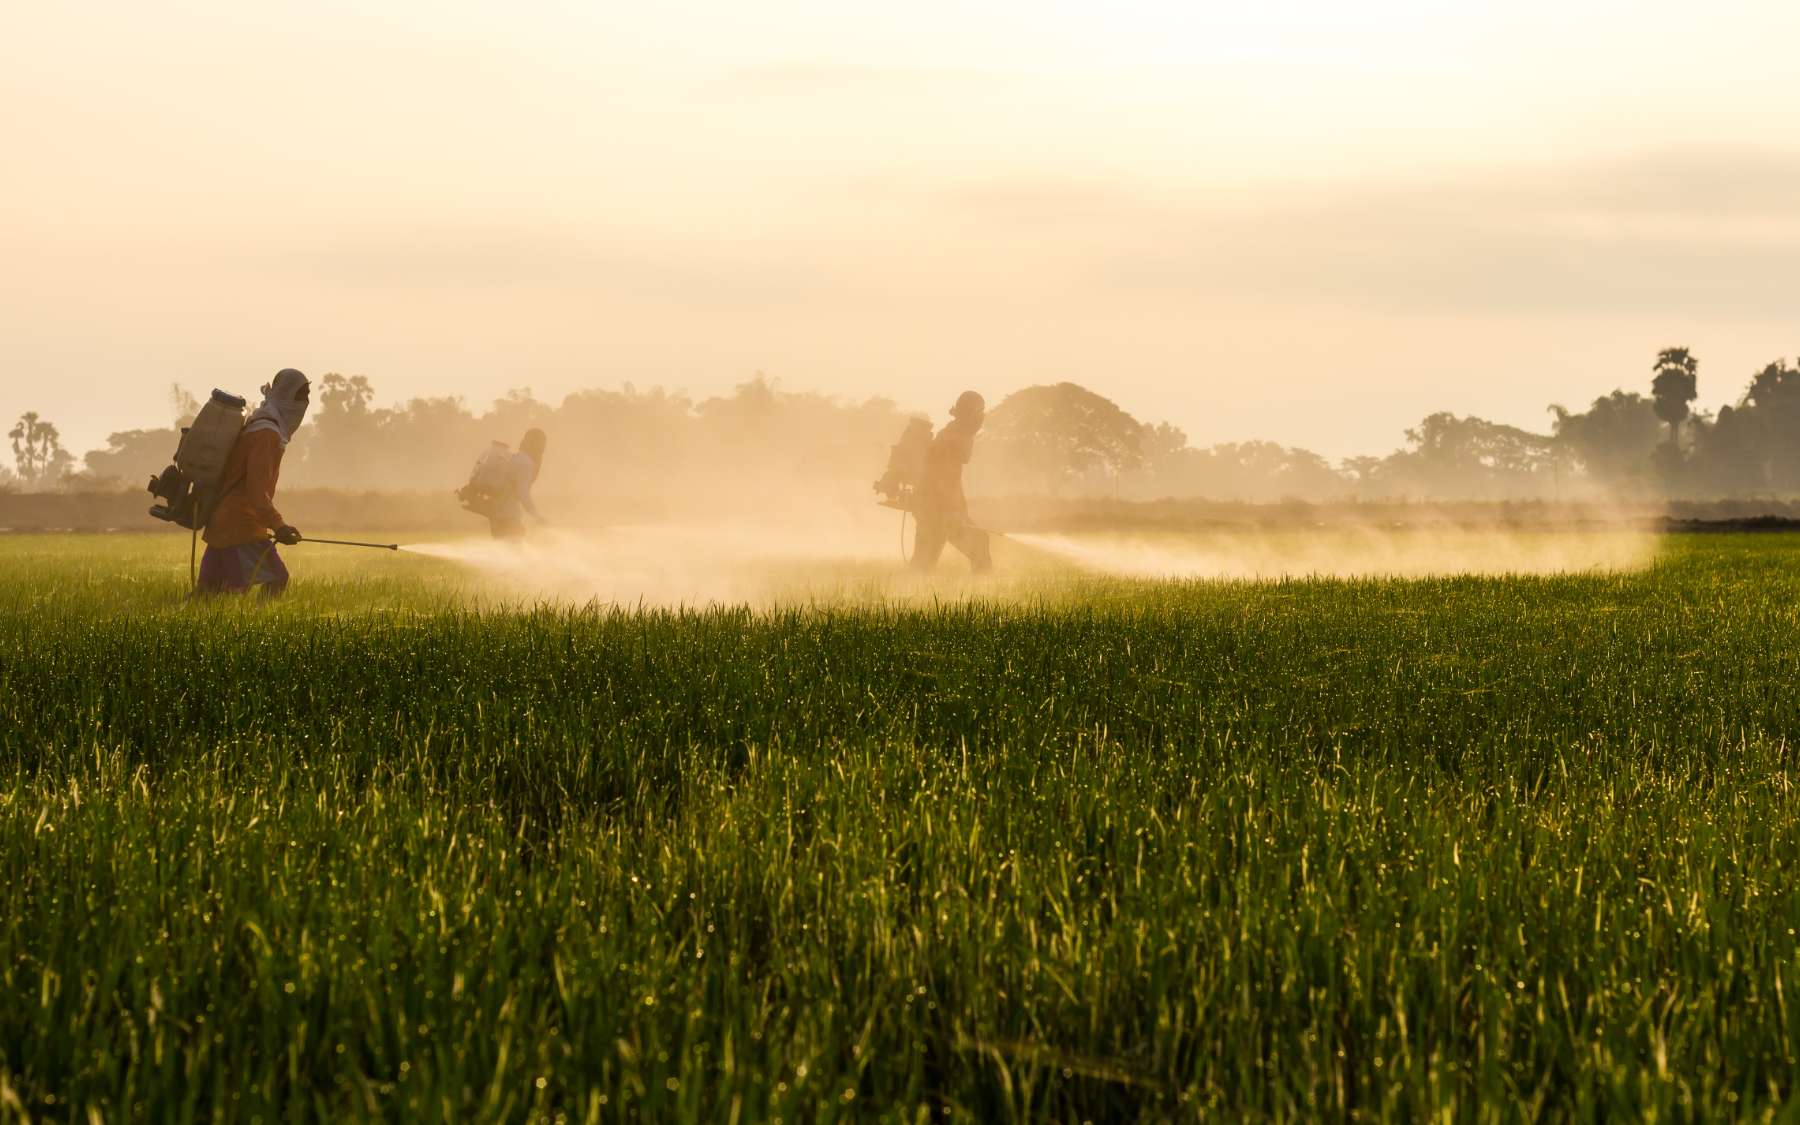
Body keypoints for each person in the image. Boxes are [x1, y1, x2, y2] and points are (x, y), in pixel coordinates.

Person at [197, 369, 309, 595]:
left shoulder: (257, 424)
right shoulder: (268, 434)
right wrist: (279, 526)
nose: (306, 402)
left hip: (222, 522)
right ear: (288, 396)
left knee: (207, 595)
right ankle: (267, 629)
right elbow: (256, 492)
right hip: (241, 525)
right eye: (302, 395)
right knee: (277, 579)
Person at [911, 390, 992, 574]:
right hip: (937, 511)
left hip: (935, 509)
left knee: (922, 564)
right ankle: (984, 596)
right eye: (980, 411)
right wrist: (953, 512)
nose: (982, 417)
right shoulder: (952, 439)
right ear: (970, 413)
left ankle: (983, 595)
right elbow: (941, 479)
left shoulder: (954, 434)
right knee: (978, 546)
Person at [489, 427, 547, 540]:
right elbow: (523, 493)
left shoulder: (515, 458)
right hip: (508, 516)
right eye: (542, 444)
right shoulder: (525, 463)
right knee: (515, 551)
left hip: (497, 515)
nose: (543, 449)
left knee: (506, 552)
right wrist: (536, 515)